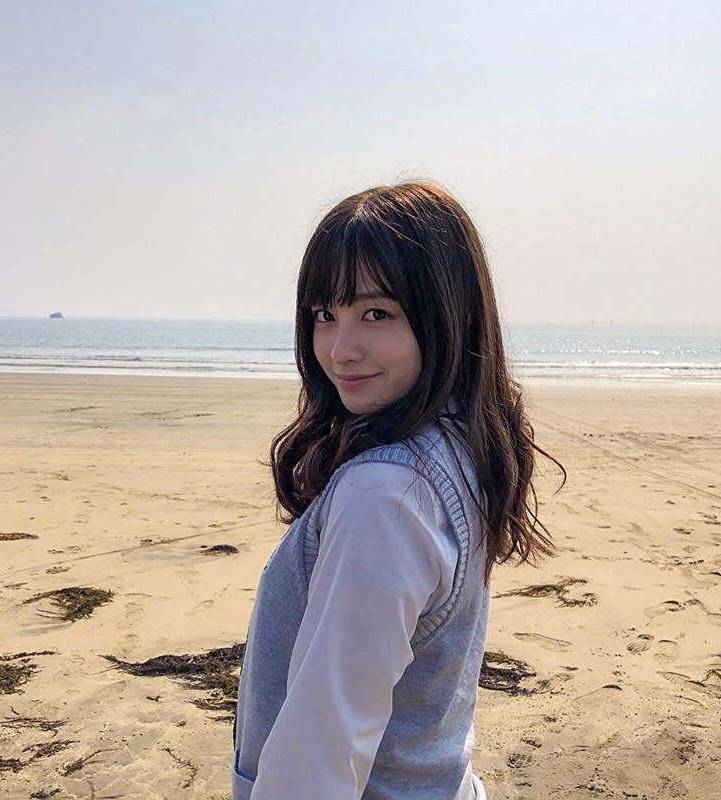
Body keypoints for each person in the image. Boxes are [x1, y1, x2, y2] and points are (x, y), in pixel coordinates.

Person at [232, 181, 561, 800]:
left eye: (376, 314)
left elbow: (323, 749)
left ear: (446, 317)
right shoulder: (456, 449)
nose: (340, 350)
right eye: (324, 315)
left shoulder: (385, 494)